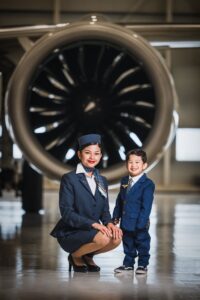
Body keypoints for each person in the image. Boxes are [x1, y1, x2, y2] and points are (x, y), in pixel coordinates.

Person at [50, 133, 122, 273]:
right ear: (79, 154)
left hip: (92, 232)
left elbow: (105, 211)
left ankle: (87, 255)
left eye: (96, 153)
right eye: (87, 153)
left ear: (101, 156)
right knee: (103, 238)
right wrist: (93, 224)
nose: (92, 157)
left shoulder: (102, 180)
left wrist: (110, 224)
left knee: (116, 238)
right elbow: (67, 213)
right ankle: (75, 255)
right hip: (72, 231)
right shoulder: (69, 179)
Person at [112, 149, 155, 275]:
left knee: (142, 244)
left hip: (139, 222)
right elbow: (120, 200)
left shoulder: (147, 184)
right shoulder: (124, 181)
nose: (133, 165)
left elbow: (146, 207)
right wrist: (116, 216)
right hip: (126, 221)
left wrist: (141, 223)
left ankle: (142, 264)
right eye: (130, 162)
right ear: (126, 164)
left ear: (144, 165)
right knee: (128, 244)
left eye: (137, 162)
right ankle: (128, 264)